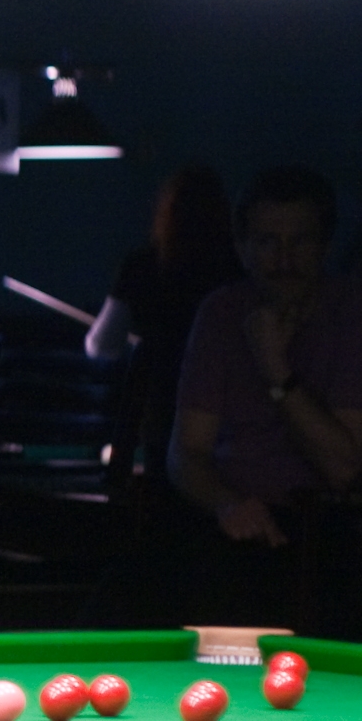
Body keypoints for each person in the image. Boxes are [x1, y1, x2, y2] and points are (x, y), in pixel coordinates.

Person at [167, 164, 362, 630]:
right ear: (243, 249)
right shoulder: (221, 312)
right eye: (268, 242)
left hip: (325, 531)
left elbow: (345, 470)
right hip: (229, 521)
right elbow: (186, 453)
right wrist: (227, 504)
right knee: (133, 586)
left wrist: (275, 367)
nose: (285, 259)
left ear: (325, 246)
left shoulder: (352, 313)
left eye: (301, 241)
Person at [85, 165, 241, 488]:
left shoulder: (143, 265)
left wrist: (141, 343)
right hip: (227, 421)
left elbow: (101, 345)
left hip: (159, 414)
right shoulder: (236, 269)